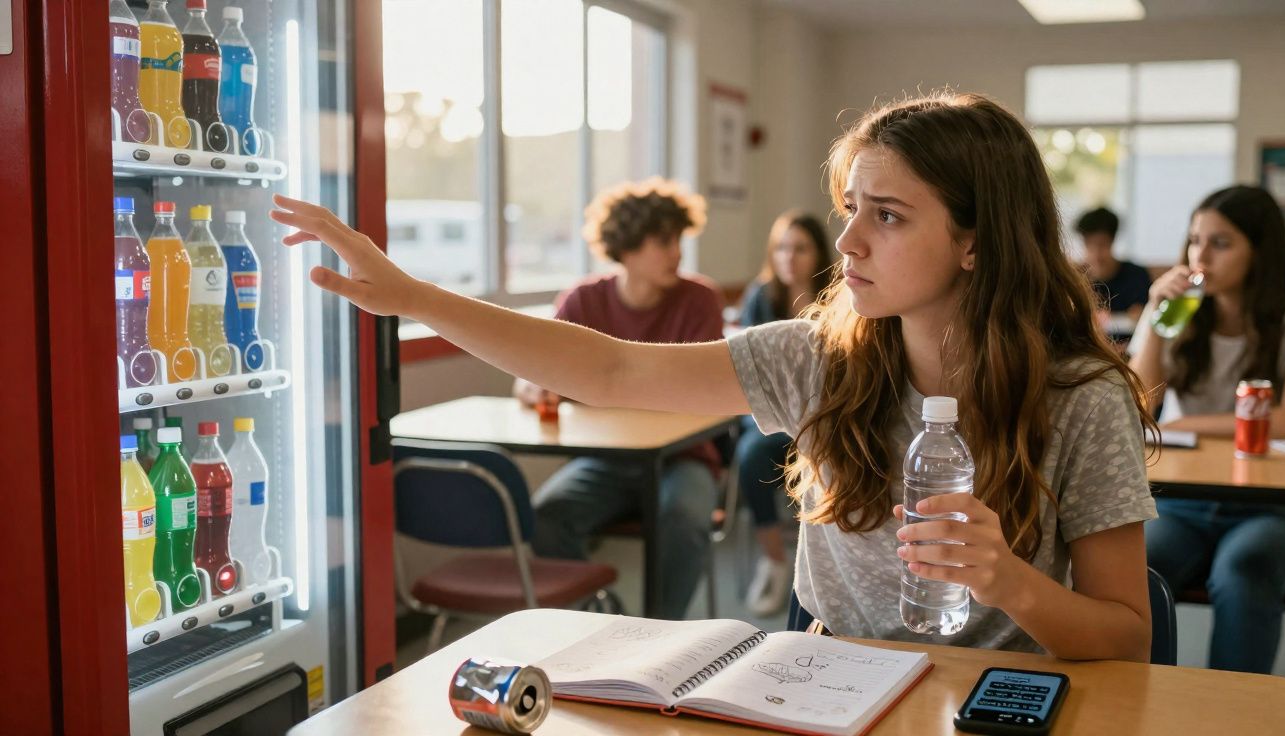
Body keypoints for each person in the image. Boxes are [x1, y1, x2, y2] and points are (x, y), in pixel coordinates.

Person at [272, 91, 1158, 660]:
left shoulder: (1082, 399)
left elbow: (1124, 637)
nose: (847, 242)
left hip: (1002, 699)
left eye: (886, 216)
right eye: (851, 209)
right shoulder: (818, 357)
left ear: (975, 241)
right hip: (828, 676)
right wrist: (414, 297)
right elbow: (608, 367)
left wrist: (1007, 581)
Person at [511, 177, 725, 621]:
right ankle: (601, 621)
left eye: (679, 240)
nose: (677, 253)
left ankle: (658, 634)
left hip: (682, 457)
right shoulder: (584, 301)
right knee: (546, 516)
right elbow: (530, 374)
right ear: (627, 246)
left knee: (684, 520)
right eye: (663, 241)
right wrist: (534, 384)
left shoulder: (698, 299)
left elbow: (701, 391)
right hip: (607, 459)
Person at [1127, 185, 1285, 674]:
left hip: (1268, 508)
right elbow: (1140, 403)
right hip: (1179, 500)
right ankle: (1139, 708)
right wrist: (1156, 317)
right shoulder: (1179, 311)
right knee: (1137, 569)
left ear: (1260, 251)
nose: (1200, 255)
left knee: (1244, 571)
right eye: (1194, 240)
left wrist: (1188, 423)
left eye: (1220, 243)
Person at [736, 210, 834, 615]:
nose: (788, 257)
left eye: (799, 248)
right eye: (780, 248)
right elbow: (744, 379)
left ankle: (818, 565)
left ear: (818, 254)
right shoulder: (762, 297)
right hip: (773, 421)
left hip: (826, 419)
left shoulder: (841, 297)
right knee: (749, 454)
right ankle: (775, 562)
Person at [1076, 206, 1152, 324]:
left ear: (1112, 241)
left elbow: (1148, 315)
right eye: (1089, 244)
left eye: (1102, 244)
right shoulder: (1076, 278)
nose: (1096, 254)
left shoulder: (1136, 276)